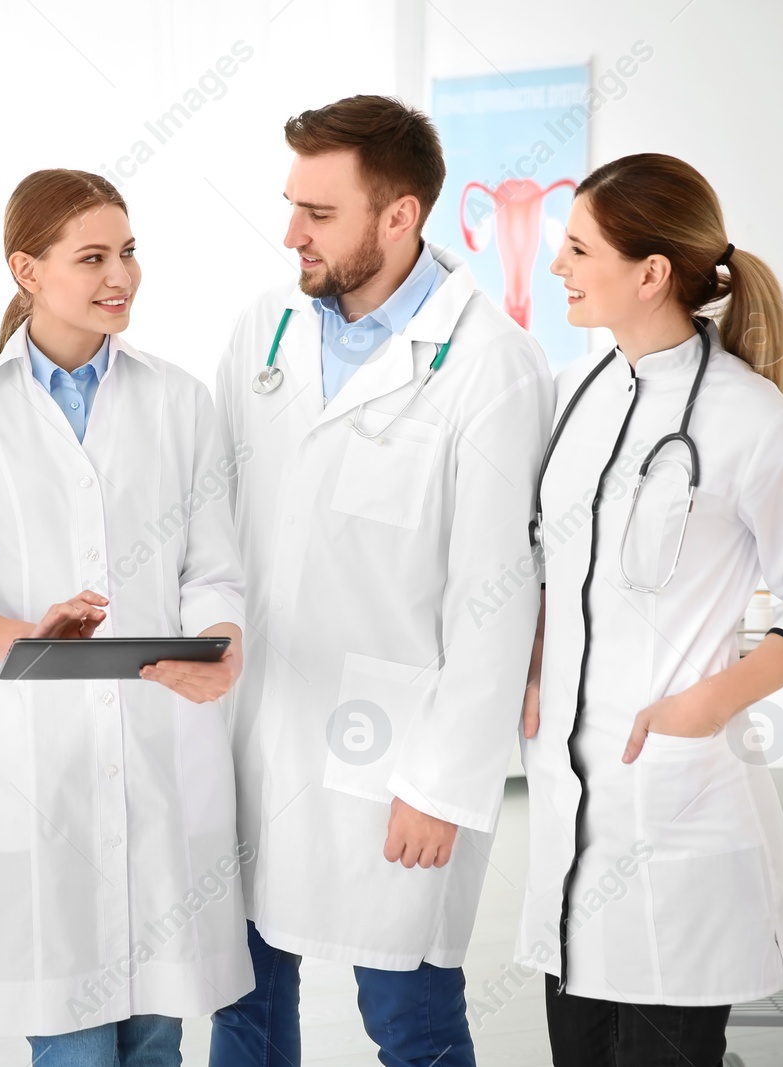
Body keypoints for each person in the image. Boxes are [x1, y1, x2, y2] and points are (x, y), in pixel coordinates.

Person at [208, 95, 555, 1067]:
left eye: (317, 214)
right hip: (256, 723)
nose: (291, 235)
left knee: (408, 1017)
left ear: (398, 216)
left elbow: (495, 594)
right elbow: (219, 522)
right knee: (240, 997)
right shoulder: (265, 329)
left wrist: (443, 784)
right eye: (291, 206)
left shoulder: (491, 364)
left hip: (393, 748)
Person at [0, 169, 254, 1066]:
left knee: (154, 1043)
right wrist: (29, 635)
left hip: (159, 738)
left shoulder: (180, 400)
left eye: (130, 251)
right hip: (34, 748)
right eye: (93, 256)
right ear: (27, 269)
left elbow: (214, 568)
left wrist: (219, 642)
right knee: (71, 1046)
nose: (123, 276)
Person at [520, 152, 783, 1067]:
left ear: (651, 273)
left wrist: (708, 704)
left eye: (579, 249)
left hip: (678, 801)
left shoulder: (753, 421)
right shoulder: (578, 397)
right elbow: (558, 558)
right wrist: (534, 665)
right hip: (569, 801)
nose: (560, 268)